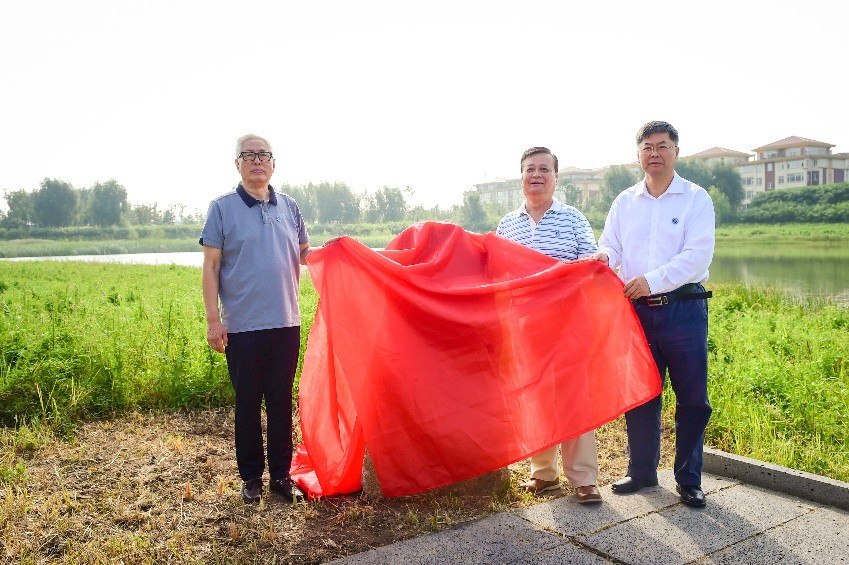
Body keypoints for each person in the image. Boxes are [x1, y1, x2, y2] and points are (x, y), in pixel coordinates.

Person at [592, 121, 715, 508]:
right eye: (647, 147)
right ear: (638, 155)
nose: (655, 153)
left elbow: (697, 257)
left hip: (684, 310)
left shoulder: (695, 198)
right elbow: (611, 244)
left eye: (663, 146)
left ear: (676, 151)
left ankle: (689, 479)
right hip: (637, 313)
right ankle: (642, 471)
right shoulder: (625, 201)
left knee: (692, 397)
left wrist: (652, 280)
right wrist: (604, 258)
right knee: (641, 393)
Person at [200, 134, 316, 504]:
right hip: (242, 327)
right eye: (248, 155)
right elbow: (211, 266)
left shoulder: (290, 206)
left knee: (281, 403)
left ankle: (281, 476)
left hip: (286, 323)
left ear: (273, 163)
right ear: (237, 164)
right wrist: (213, 321)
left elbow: (305, 253)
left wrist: (343, 255)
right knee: (248, 405)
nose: (256, 161)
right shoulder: (222, 209)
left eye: (263, 154)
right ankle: (251, 478)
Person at [496, 146, 602, 505]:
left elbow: (590, 264)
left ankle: (584, 478)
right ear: (521, 177)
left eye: (544, 169)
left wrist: (594, 261)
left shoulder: (573, 219)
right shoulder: (507, 224)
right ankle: (543, 474)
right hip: (526, 327)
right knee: (536, 398)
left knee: (574, 397)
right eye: (530, 169)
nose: (536, 175)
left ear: (556, 178)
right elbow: (497, 273)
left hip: (569, 323)